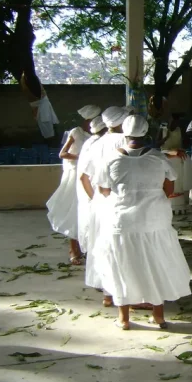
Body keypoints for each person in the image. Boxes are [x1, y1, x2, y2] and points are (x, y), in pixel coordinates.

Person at [94, 115, 191, 330]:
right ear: (146, 133)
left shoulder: (111, 159)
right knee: (156, 264)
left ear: (125, 134)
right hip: (154, 221)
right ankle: (158, 316)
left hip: (121, 222)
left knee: (123, 265)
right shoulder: (158, 158)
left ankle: (124, 319)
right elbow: (169, 190)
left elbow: (103, 190)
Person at [80, 106, 128, 308]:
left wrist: (94, 199)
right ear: (119, 122)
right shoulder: (125, 141)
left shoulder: (96, 143)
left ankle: (106, 291)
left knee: (101, 245)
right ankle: (123, 292)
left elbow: (84, 177)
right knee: (121, 247)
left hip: (99, 201)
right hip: (120, 201)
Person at [47, 104, 100, 265]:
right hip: (75, 176)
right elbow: (62, 153)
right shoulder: (76, 132)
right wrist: (81, 157)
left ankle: (88, 249)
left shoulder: (96, 135)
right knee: (74, 214)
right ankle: (74, 250)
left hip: (89, 176)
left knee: (90, 213)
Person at [76, 115, 107, 290]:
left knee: (96, 238)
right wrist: (96, 197)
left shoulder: (90, 143)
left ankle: (102, 280)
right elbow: (84, 177)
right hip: (96, 196)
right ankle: (103, 281)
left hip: (93, 196)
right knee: (101, 239)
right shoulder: (97, 145)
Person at [158, 113, 192, 213]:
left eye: (177, 121)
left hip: (177, 152)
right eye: (173, 121)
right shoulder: (163, 129)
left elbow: (183, 142)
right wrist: (165, 138)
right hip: (165, 154)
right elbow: (158, 145)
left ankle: (182, 194)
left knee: (185, 160)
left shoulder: (179, 130)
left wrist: (180, 150)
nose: (175, 123)